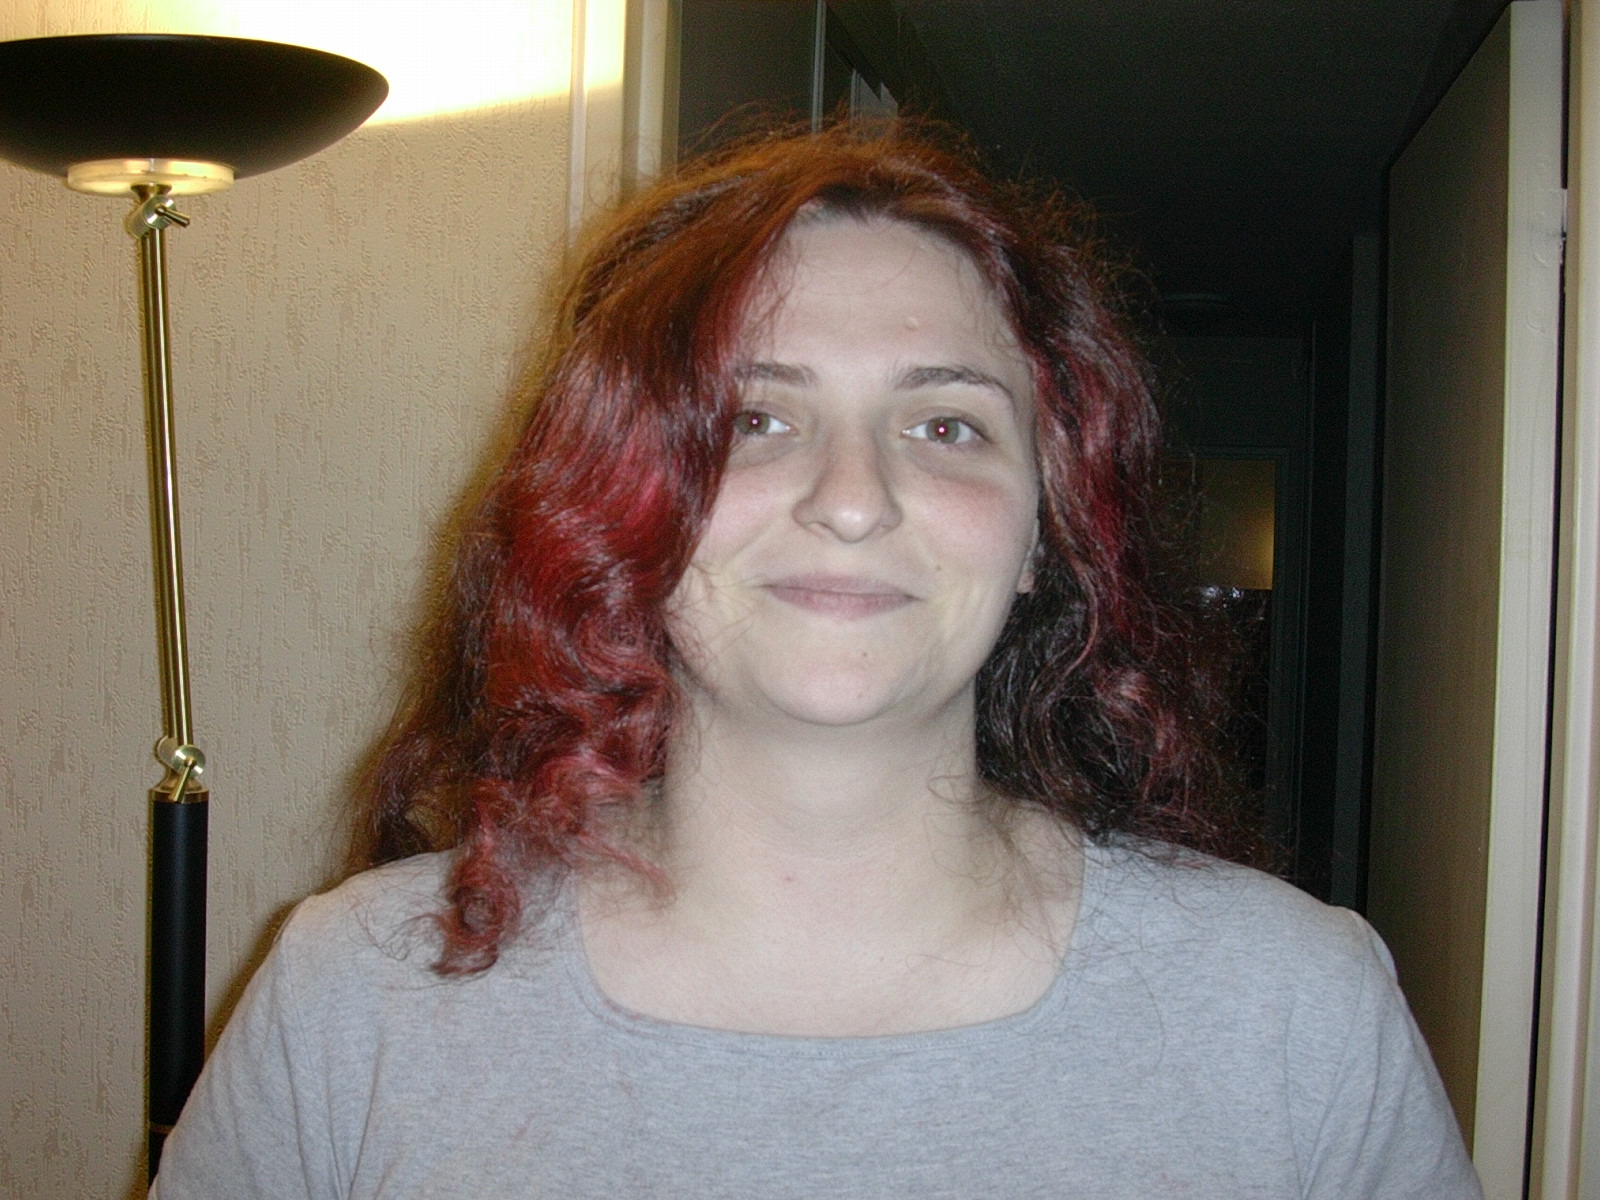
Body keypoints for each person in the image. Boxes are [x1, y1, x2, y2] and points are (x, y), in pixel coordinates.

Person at [152, 124, 1480, 1198]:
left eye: (947, 426)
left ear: (1046, 526)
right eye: (755, 419)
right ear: (629, 500)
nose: (852, 499)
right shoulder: (353, 1000)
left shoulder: (1293, 1013)